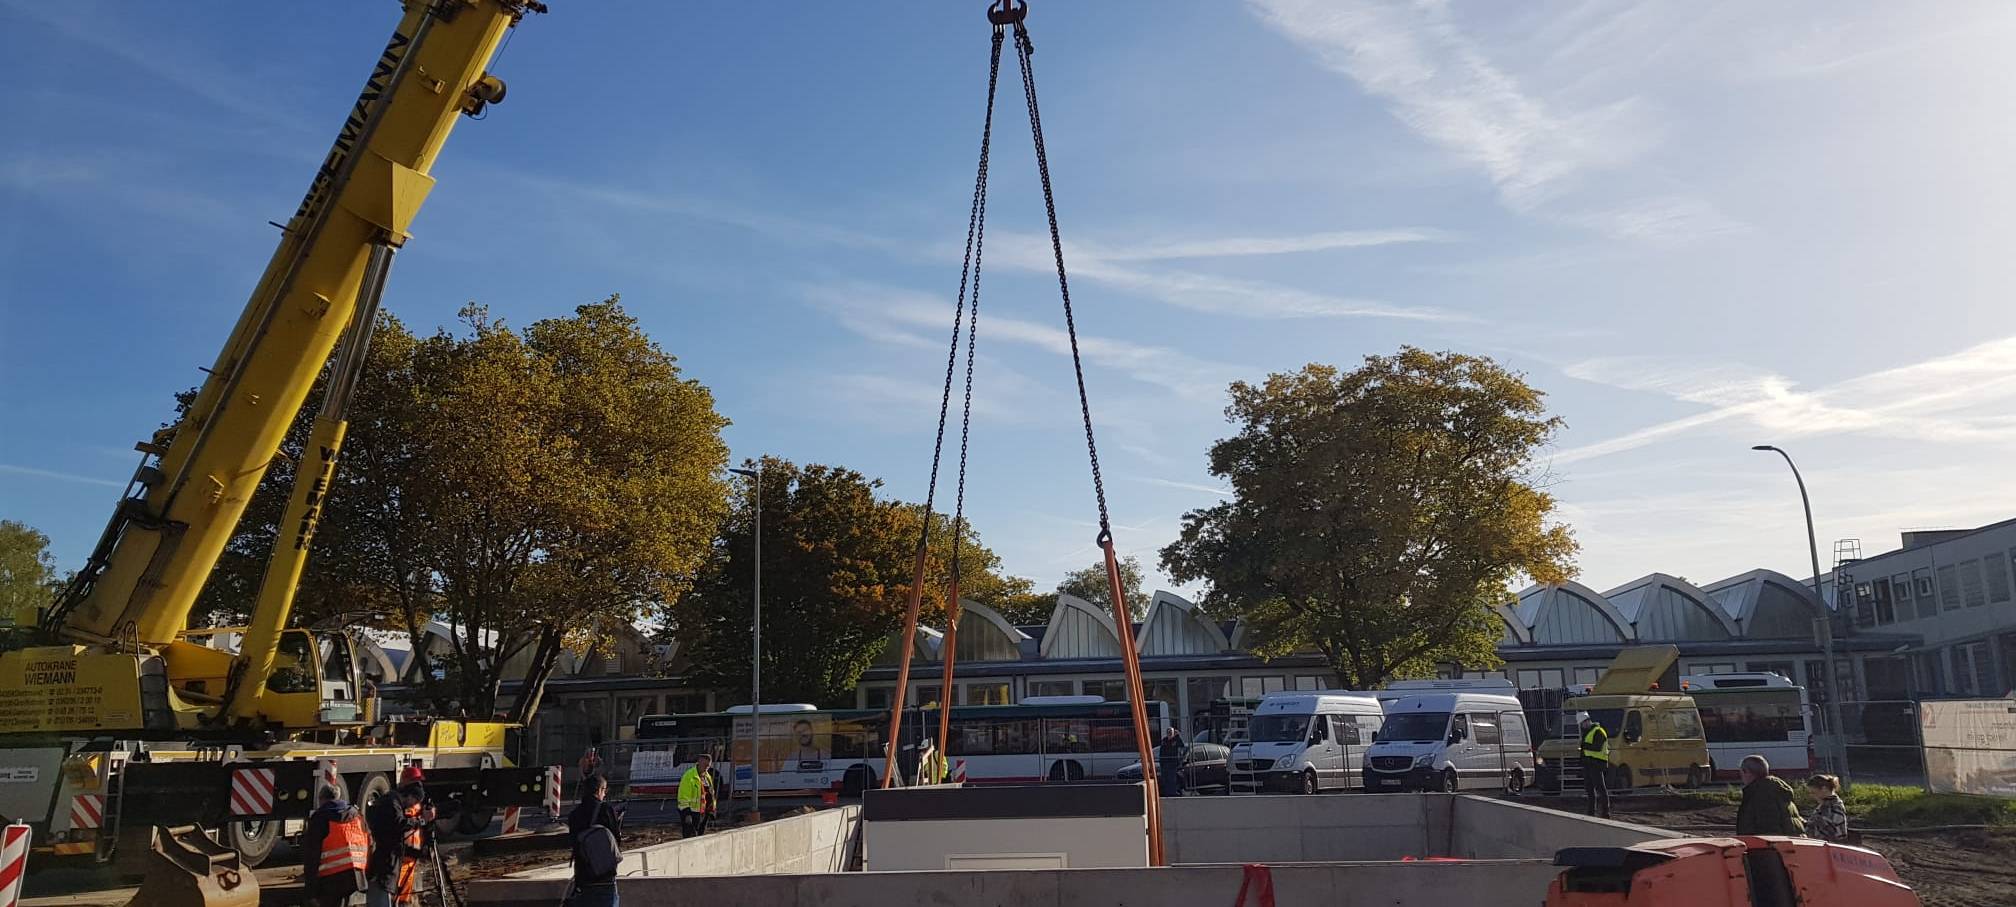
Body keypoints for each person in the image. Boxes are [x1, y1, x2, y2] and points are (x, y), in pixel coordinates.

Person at [364, 783, 431, 907]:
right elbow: (399, 824)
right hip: (384, 868)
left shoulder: (391, 802)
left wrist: (417, 853)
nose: (413, 805)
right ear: (410, 796)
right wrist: (421, 821)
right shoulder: (391, 803)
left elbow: (396, 840)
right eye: (415, 801)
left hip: (386, 865)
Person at [567, 774, 624, 907]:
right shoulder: (606, 809)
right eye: (604, 790)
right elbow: (616, 840)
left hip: (583, 875)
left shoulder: (574, 814)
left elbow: (574, 843)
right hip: (605, 875)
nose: (604, 794)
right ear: (599, 790)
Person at [304, 787, 366, 907]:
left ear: (321, 799)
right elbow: (369, 841)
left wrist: (310, 891)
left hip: (331, 879)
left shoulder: (320, 818)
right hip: (355, 875)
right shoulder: (356, 815)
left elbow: (312, 856)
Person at [1735, 754, 1807, 836]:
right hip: (1791, 842)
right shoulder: (1779, 790)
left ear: (1746, 772)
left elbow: (1768, 830)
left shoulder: (1760, 795)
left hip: (1769, 843)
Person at [1577, 712, 1611, 820]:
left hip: (1597, 764)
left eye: (1582, 724)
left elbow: (1597, 747)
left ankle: (1605, 812)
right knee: (1590, 790)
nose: (1582, 726)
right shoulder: (1588, 732)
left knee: (1600, 789)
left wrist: (1584, 745)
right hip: (1589, 764)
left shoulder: (1599, 731)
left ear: (1587, 721)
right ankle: (1591, 812)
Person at [677, 754, 715, 838]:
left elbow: (711, 794)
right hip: (691, 813)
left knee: (700, 837)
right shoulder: (689, 776)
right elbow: (683, 797)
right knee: (690, 837)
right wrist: (686, 814)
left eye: (708, 766)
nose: (706, 768)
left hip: (703, 813)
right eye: (705, 765)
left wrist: (711, 810)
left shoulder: (707, 776)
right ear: (699, 762)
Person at [1806, 773, 1849, 842]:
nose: (1811, 796)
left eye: (1813, 792)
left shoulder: (1834, 806)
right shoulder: (1824, 804)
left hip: (1827, 844)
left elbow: (1837, 832)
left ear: (1824, 789)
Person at [1156, 727, 1187, 797]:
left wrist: (1178, 736)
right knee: (1165, 779)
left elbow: (1182, 745)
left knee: (1172, 779)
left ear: (1173, 733)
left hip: (1173, 763)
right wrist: (1161, 762)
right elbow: (1161, 751)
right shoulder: (1164, 740)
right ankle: (1166, 793)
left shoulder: (1176, 740)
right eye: (1168, 732)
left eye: (1171, 732)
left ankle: (1173, 792)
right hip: (1165, 763)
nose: (1169, 733)